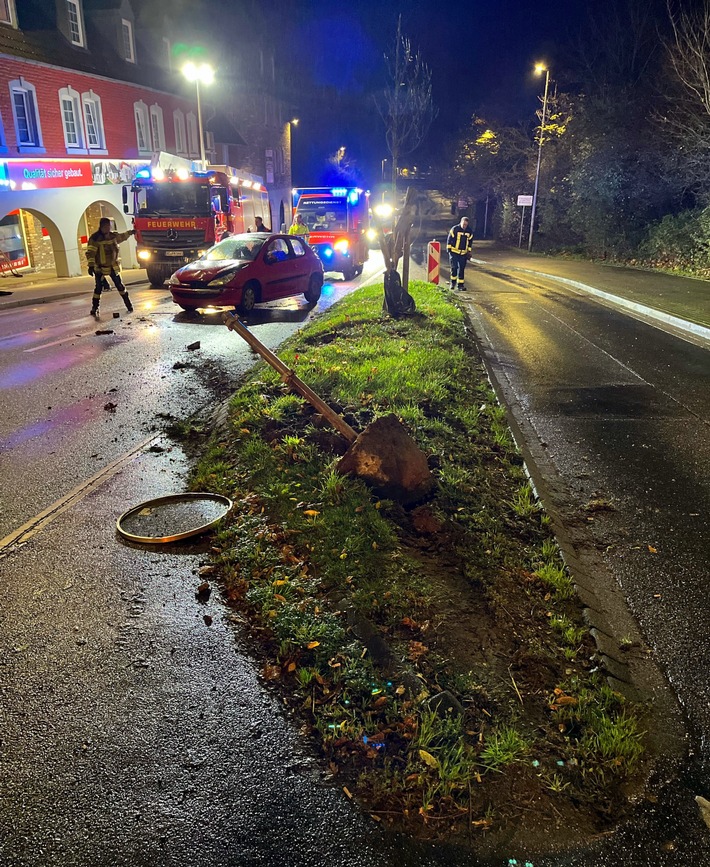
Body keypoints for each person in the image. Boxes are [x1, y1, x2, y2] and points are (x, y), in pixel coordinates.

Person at [86, 217, 136, 315]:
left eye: (109, 226)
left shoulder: (113, 236)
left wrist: (130, 232)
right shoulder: (95, 239)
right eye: (105, 226)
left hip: (113, 266)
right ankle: (94, 308)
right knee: (98, 289)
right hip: (100, 267)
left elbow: (122, 237)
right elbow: (90, 252)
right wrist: (91, 266)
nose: (107, 228)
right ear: (101, 227)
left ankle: (128, 305)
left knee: (120, 286)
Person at [446, 215, 473, 291]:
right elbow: (449, 239)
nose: (464, 226)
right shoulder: (455, 229)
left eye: (466, 225)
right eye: (463, 224)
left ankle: (460, 285)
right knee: (454, 268)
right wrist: (449, 250)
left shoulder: (469, 231)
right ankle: (453, 283)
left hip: (463, 254)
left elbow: (470, 242)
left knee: (461, 269)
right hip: (454, 252)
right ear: (461, 222)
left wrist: (469, 251)